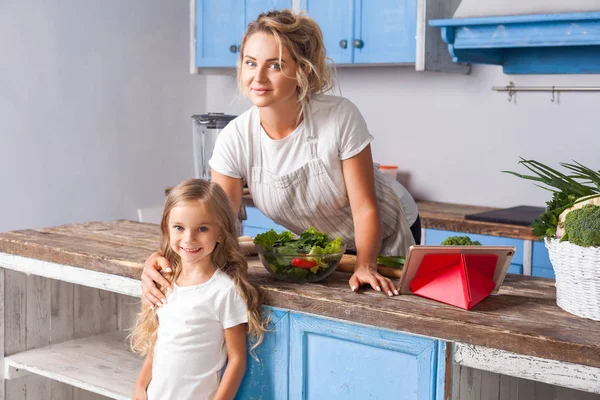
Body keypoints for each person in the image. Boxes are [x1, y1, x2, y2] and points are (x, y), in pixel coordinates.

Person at [141, 9, 420, 303]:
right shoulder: (235, 138)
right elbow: (216, 221)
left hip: (386, 227)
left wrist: (365, 264)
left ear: (303, 71)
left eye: (274, 65)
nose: (258, 77)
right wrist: (164, 260)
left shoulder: (339, 117)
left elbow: (364, 209)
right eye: (250, 63)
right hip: (325, 245)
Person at [130, 179, 266, 400]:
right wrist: (140, 388)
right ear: (167, 228)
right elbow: (160, 345)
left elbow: (237, 360)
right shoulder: (166, 283)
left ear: (220, 233)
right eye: (179, 228)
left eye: (202, 228)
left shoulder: (224, 291)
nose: (189, 238)